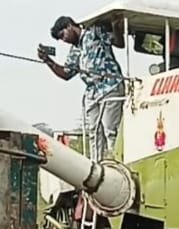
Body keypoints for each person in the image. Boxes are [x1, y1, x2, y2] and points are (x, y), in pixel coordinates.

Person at [39, 16, 125, 163]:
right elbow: (66, 74)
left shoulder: (94, 32)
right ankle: (97, 164)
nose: (64, 40)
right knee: (94, 132)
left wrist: (116, 27)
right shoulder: (75, 50)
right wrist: (48, 61)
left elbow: (119, 43)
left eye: (63, 35)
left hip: (110, 86)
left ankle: (117, 161)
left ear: (69, 26)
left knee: (110, 129)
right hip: (93, 93)